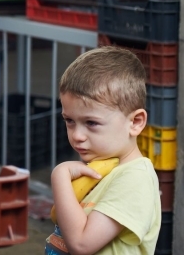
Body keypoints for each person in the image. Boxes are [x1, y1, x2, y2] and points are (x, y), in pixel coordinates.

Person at [46, 46, 161, 254]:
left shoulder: (135, 179)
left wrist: (59, 175)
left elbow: (81, 244)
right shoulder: (99, 166)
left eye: (91, 123)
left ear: (135, 122)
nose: (77, 135)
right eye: (69, 121)